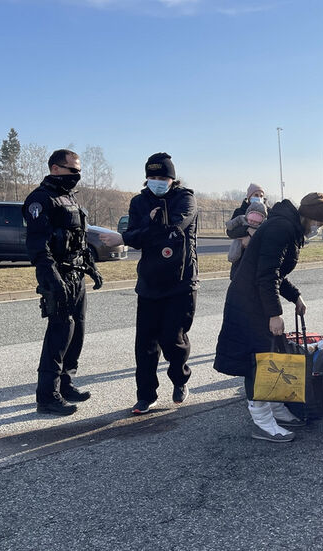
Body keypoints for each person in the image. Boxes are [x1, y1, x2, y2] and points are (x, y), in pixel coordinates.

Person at [213, 192, 323, 443]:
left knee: (270, 357)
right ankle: (262, 421)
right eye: (318, 223)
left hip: (256, 298)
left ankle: (275, 407)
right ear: (308, 217)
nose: (317, 229)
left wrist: (295, 296)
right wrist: (274, 314)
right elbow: (266, 275)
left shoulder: (287, 227)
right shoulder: (281, 229)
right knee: (257, 361)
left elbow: (275, 274)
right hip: (248, 302)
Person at [100, 152, 198, 415]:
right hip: (150, 282)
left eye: (162, 177)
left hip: (181, 281)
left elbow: (173, 229)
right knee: (145, 344)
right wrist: (146, 224)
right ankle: (145, 395)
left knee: (173, 339)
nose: (157, 182)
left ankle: (180, 379)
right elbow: (133, 234)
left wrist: (135, 235)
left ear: (172, 179)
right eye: (152, 177)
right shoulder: (139, 202)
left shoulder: (185, 199)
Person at [22, 149, 104, 416]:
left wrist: (91, 267)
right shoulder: (40, 199)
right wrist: (53, 278)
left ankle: (66, 383)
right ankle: (47, 396)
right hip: (57, 276)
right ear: (55, 169)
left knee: (76, 331)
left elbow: (78, 238)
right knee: (59, 334)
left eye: (79, 171)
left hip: (76, 275)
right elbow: (37, 245)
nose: (77, 176)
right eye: (73, 170)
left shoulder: (69, 197)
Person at [226, 184, 269, 279]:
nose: (259, 198)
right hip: (241, 256)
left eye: (261, 196)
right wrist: (248, 231)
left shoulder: (268, 213)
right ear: (249, 196)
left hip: (260, 256)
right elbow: (230, 232)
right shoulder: (240, 211)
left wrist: (254, 236)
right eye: (256, 195)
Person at [226, 200, 267, 268]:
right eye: (256, 195)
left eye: (260, 195)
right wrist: (247, 230)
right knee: (236, 245)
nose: (253, 223)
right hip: (240, 259)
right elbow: (230, 231)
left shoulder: (267, 220)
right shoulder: (240, 213)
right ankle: (232, 257)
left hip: (256, 258)